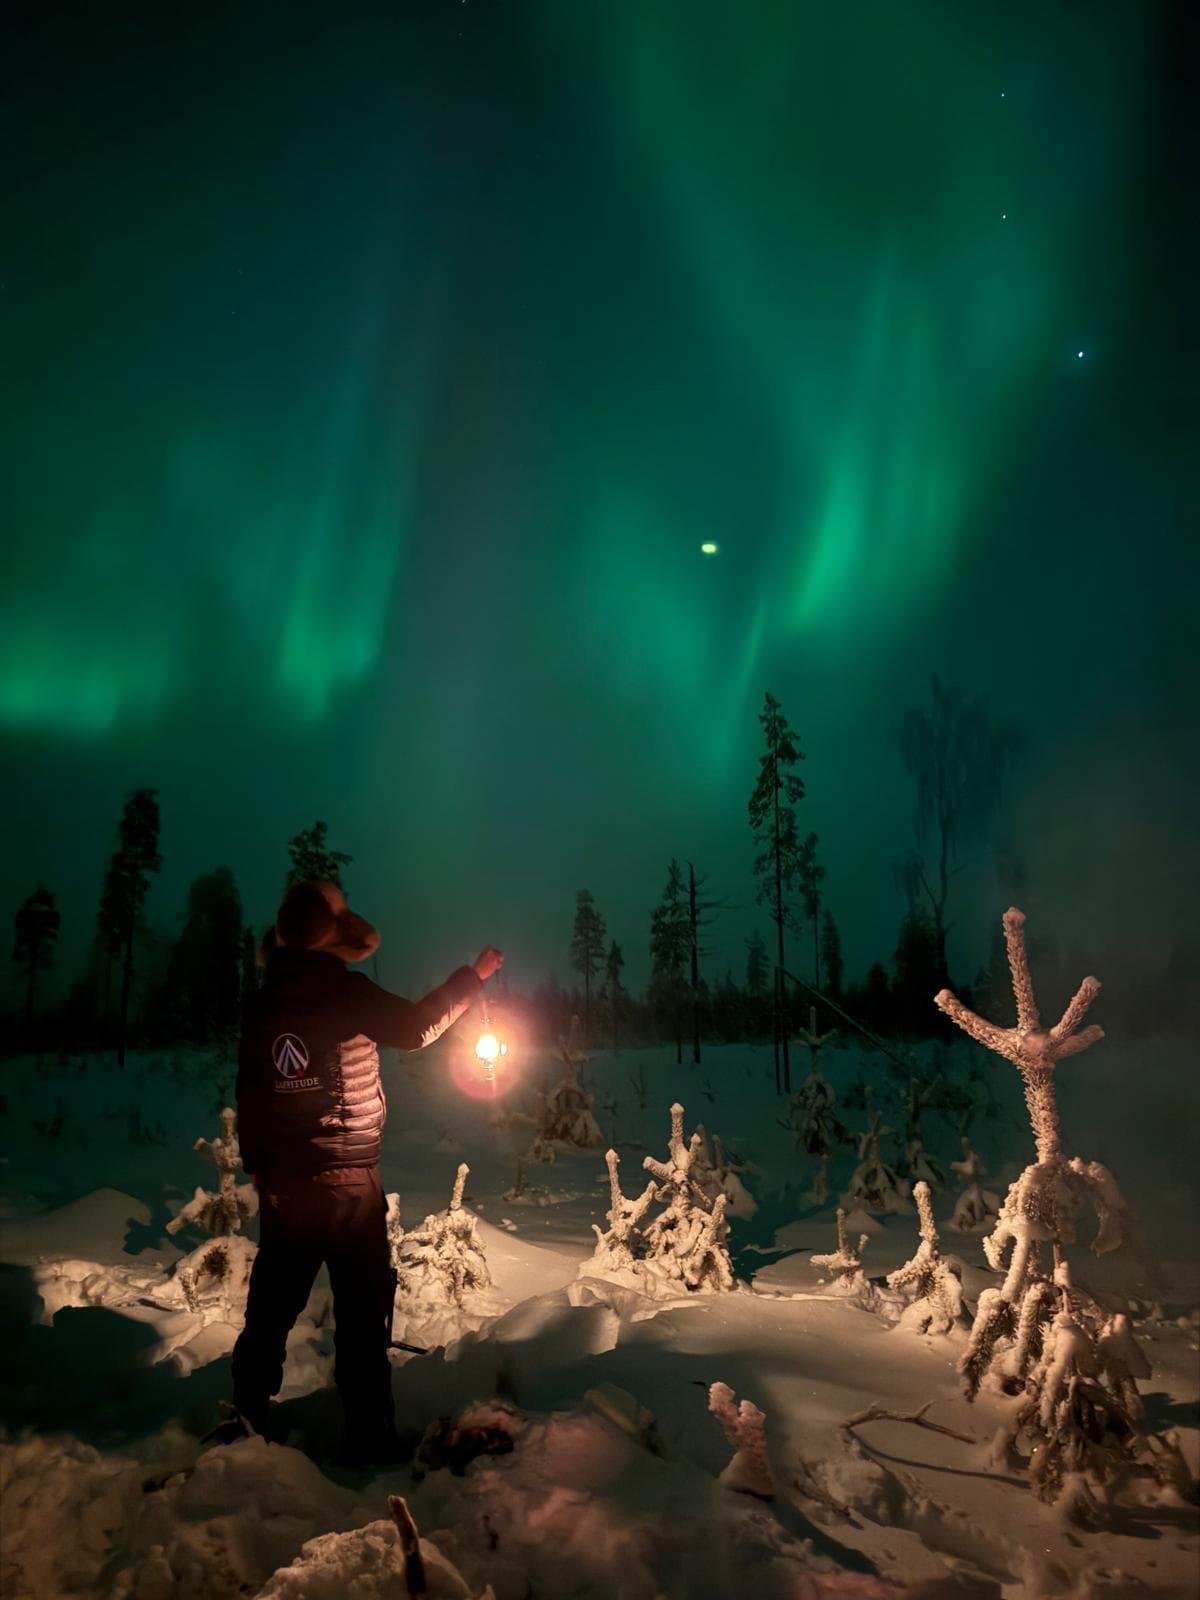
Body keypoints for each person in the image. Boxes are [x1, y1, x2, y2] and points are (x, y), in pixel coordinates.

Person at [228, 878, 503, 1463]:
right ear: (331, 937)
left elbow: (250, 1092)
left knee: (271, 1307)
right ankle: (370, 1437)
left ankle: (244, 1418)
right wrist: (471, 979)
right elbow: (415, 1028)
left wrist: (259, 1169)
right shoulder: (343, 991)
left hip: (287, 1185)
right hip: (348, 1181)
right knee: (361, 1311)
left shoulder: (264, 1001)